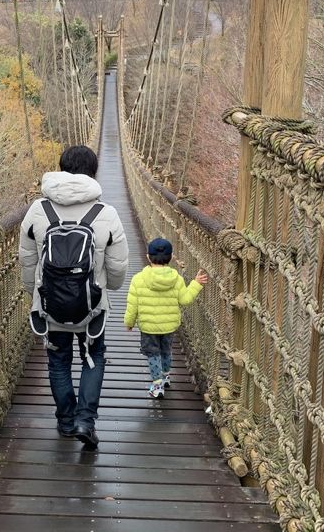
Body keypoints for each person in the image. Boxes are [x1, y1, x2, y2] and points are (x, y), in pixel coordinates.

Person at [19, 145, 129, 449]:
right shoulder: (106, 213)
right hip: (92, 308)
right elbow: (118, 267)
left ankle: (66, 421)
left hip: (50, 306)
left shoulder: (37, 210)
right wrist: (110, 288)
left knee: (58, 361)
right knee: (94, 358)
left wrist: (35, 296)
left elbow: (27, 261)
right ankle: (85, 420)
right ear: (92, 173)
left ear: (60, 168)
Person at [124, 237, 208, 398]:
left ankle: (157, 386)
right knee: (166, 351)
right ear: (170, 257)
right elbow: (185, 299)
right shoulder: (176, 278)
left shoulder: (138, 279)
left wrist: (129, 322)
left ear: (148, 256)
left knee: (153, 353)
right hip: (169, 325)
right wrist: (196, 283)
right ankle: (166, 376)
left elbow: (132, 305)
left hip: (148, 327)